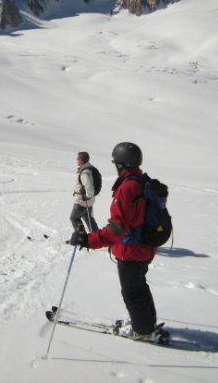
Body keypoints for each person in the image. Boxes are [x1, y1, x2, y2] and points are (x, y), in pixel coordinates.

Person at [69, 142, 167, 342]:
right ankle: (147, 324)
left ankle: (144, 331)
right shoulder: (141, 181)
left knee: (132, 292)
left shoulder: (128, 187)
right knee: (139, 287)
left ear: (121, 164)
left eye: (116, 162)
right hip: (145, 247)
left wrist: (88, 240)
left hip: (131, 250)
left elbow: (116, 228)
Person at [70, 151, 99, 233]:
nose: (76, 160)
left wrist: (86, 197)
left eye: (78, 158)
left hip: (82, 201)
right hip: (89, 201)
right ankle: (97, 237)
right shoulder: (90, 169)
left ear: (82, 160)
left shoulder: (85, 172)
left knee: (74, 218)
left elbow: (89, 187)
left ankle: (81, 238)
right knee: (89, 218)